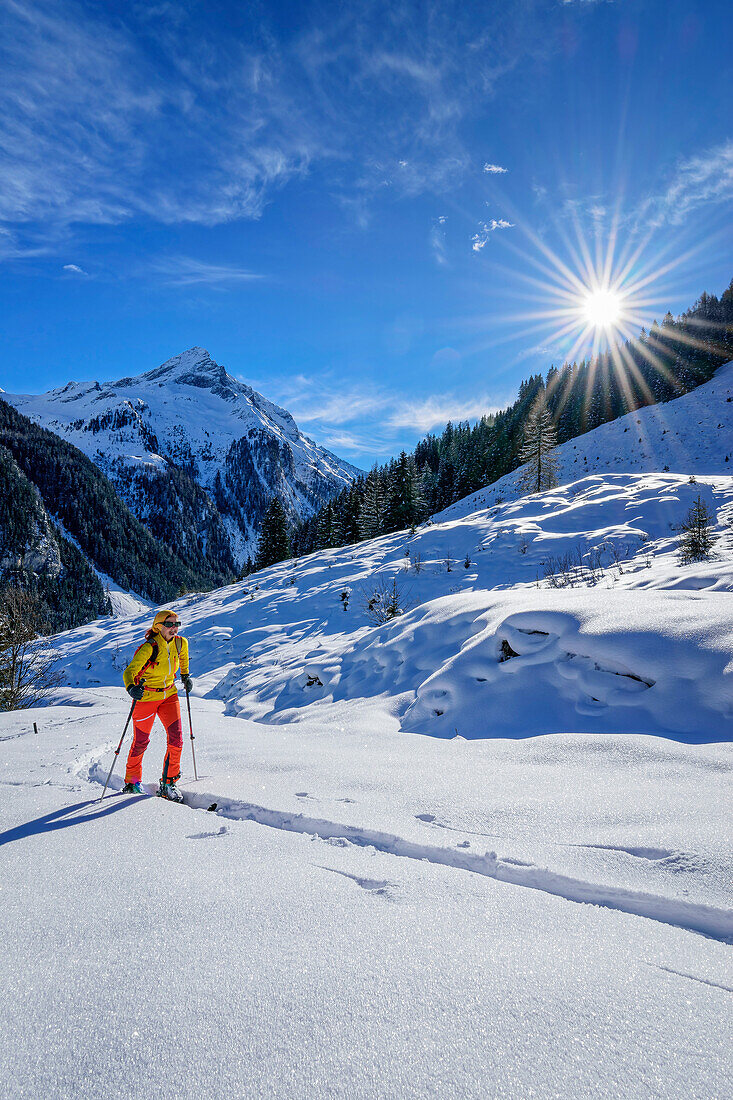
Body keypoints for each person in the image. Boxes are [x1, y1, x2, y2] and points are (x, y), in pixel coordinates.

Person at [122, 609, 193, 801]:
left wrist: (185, 675)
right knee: (141, 742)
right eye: (169, 624)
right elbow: (129, 672)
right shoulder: (149, 648)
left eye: (177, 624)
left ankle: (168, 783)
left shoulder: (180, 643)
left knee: (176, 738)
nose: (174, 628)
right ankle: (132, 782)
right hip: (146, 698)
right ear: (158, 626)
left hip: (169, 694)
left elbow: (183, 659)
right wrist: (131, 688)